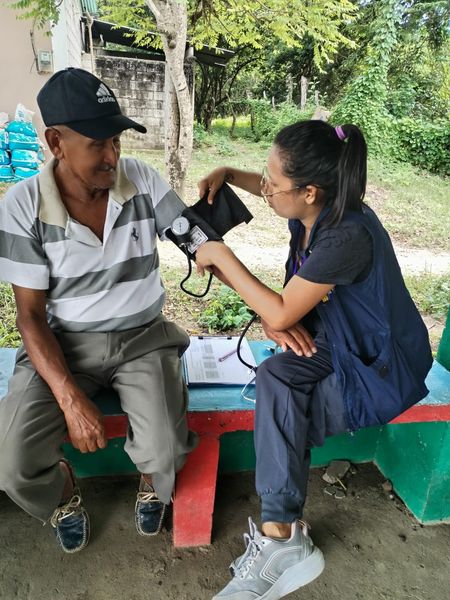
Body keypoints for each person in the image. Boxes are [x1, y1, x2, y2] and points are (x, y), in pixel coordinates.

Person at [196, 120, 433, 600]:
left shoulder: (347, 236)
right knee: (276, 378)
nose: (263, 188)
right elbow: (282, 311)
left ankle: (280, 536)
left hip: (380, 365)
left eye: (271, 183)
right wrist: (229, 173)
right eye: (263, 175)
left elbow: (283, 309)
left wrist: (220, 254)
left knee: (289, 409)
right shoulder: (312, 211)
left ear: (309, 192)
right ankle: (283, 535)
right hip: (340, 339)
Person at [0, 68, 197, 553]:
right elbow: (30, 317)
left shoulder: (140, 180)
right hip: (63, 344)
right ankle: (61, 492)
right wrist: (69, 398)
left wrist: (270, 305)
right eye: (97, 144)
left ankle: (150, 481)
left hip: (143, 339)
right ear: (56, 143)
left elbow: (199, 241)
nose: (112, 156)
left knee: (167, 451)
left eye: (116, 141)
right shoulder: (23, 205)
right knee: (12, 463)